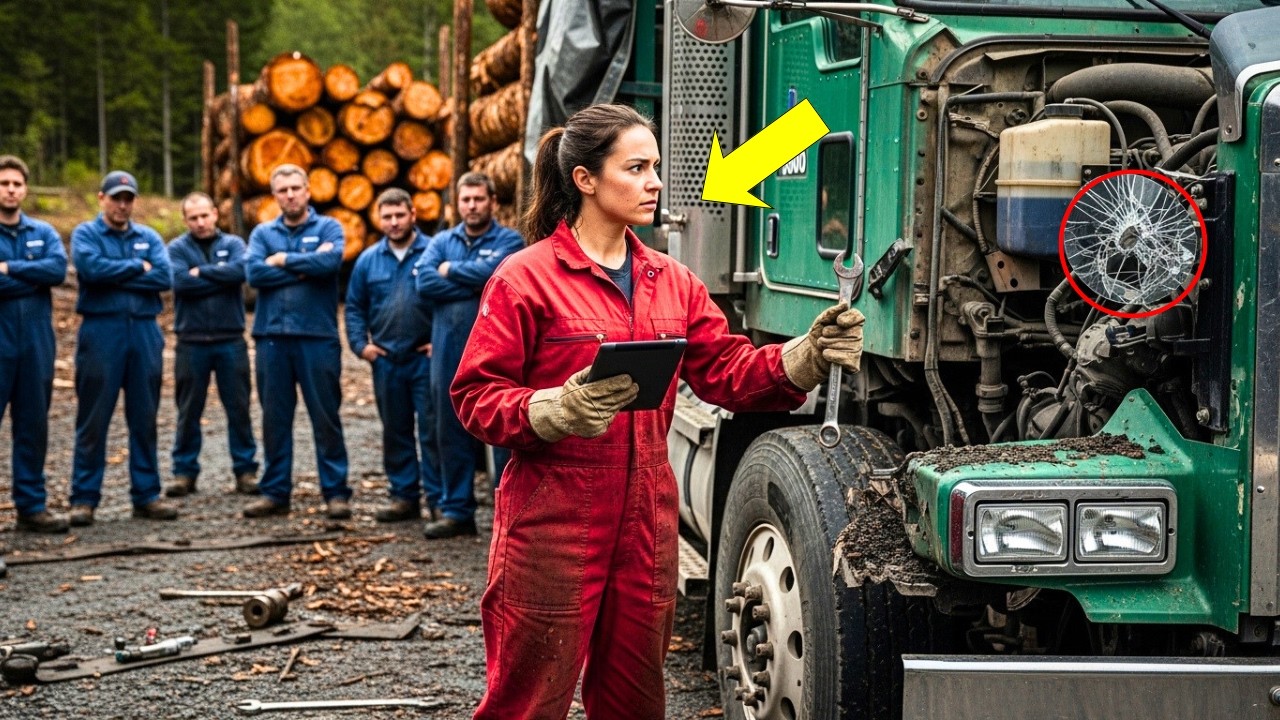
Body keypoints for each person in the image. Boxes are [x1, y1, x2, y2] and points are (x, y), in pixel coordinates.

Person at [450, 104, 865, 719]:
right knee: (527, 701)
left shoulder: (670, 280)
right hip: (552, 525)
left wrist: (803, 356)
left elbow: (727, 371)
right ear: (586, 180)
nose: (656, 183)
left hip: (646, 524)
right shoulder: (526, 279)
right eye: (637, 168)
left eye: (657, 168)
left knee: (634, 701)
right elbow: (475, 397)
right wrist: (553, 408)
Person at [414, 172, 523, 539]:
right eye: (466, 199)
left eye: (479, 199)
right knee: (449, 426)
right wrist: (473, 279)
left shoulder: (509, 240)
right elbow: (424, 281)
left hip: (497, 347)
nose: (472, 206)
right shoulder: (442, 241)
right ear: (457, 203)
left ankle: (507, 515)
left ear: (493, 201)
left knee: (502, 429)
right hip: (448, 348)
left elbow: (500, 274)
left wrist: (452, 272)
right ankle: (457, 510)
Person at [68, 170, 178, 526]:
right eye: (116, 197)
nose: (123, 204)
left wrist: (120, 273)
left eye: (129, 198)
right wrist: (136, 267)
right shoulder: (87, 234)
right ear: (102, 198)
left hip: (144, 331)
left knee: (144, 417)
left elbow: (164, 277)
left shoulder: (149, 236)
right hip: (102, 331)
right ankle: (84, 498)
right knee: (94, 417)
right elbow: (91, 269)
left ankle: (146, 495)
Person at [243, 164, 351, 520]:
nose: (289, 195)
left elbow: (330, 262)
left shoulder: (329, 228)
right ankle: (275, 491)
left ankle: (336, 493)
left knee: (325, 417)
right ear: (274, 196)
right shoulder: (262, 233)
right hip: (272, 339)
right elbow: (255, 273)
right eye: (282, 190)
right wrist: (305, 266)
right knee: (275, 418)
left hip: (317, 338)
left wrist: (284, 260)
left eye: (295, 188)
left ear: (307, 190)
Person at [345, 188, 441, 522]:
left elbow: (448, 300)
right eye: (387, 217)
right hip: (386, 360)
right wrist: (361, 346)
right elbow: (354, 306)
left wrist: (438, 343)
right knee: (395, 430)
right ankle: (404, 497)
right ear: (379, 219)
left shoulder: (432, 251)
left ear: (413, 214)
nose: (394, 222)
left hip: (425, 359)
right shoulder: (368, 260)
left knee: (431, 429)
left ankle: (439, 499)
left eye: (400, 215)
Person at [164, 192, 258, 498]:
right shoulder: (176, 248)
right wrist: (218, 277)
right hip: (191, 342)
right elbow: (179, 282)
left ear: (216, 214)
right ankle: (184, 472)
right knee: (188, 409)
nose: (201, 222)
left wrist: (200, 273)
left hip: (230, 339)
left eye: (205, 216)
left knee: (239, 408)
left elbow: (240, 272)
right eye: (193, 218)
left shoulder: (233, 244)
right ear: (185, 220)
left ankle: (245, 471)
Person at [0, 155, 69, 533]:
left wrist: (9, 269)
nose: (11, 189)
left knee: (32, 425)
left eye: (17, 184)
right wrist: (33, 277)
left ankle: (31, 505)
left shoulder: (42, 231)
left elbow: (56, 270)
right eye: (4, 183)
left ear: (25, 189)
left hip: (36, 344)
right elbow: (42, 275)